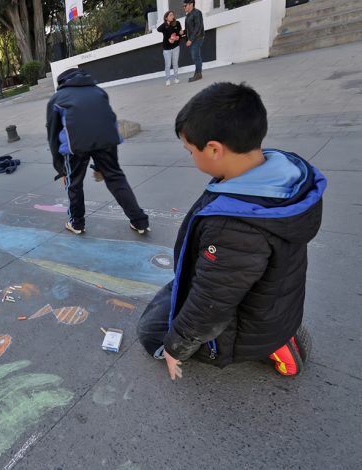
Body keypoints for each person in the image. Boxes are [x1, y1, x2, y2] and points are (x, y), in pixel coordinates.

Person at [137, 82, 325, 380]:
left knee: (150, 334)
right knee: (173, 296)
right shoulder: (276, 175)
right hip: (269, 299)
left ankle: (276, 345)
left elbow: (211, 305)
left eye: (190, 151)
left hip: (244, 318)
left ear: (214, 149)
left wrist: (175, 348)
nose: (190, 156)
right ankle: (276, 333)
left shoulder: (233, 229)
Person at [46, 68, 150, 235]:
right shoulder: (99, 91)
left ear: (62, 83)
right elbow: (106, 120)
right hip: (108, 140)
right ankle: (140, 221)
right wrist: (102, 167)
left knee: (74, 184)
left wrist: (60, 168)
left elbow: (52, 134)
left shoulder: (57, 98)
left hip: (75, 146)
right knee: (115, 178)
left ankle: (77, 223)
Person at [157, 10, 182, 86]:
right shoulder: (164, 26)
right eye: (170, 15)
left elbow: (180, 33)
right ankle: (168, 79)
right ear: (166, 17)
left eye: (173, 15)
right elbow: (158, 29)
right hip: (167, 49)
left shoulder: (177, 23)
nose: (172, 16)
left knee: (175, 64)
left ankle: (176, 78)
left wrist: (178, 36)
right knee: (168, 65)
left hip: (176, 47)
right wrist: (166, 23)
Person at [183, 0, 205, 82]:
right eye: (183, 6)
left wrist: (190, 40)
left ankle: (198, 74)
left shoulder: (197, 13)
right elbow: (189, 29)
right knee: (195, 56)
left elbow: (197, 28)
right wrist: (183, 32)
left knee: (196, 56)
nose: (184, 7)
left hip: (197, 38)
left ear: (191, 4)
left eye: (185, 5)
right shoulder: (188, 15)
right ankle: (198, 73)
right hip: (193, 38)